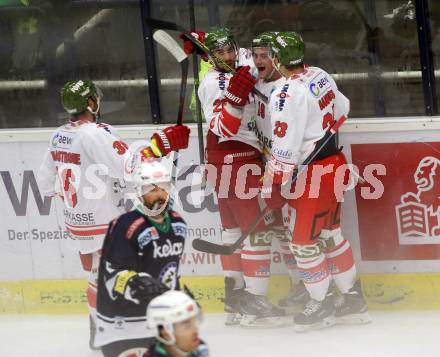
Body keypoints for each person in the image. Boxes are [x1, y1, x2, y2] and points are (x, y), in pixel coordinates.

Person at [37, 80, 190, 348]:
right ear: (91, 102)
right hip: (102, 220)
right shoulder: (93, 133)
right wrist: (160, 145)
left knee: (97, 275)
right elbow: (129, 167)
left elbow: (45, 184)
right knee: (112, 275)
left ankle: (100, 325)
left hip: (77, 220)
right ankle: (107, 327)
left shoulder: (60, 134)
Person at [260, 31, 371, 331]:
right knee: (331, 233)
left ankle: (320, 305)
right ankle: (352, 299)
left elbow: (285, 148)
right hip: (334, 166)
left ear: (278, 58)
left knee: (302, 242)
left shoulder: (284, 94)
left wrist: (274, 186)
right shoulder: (319, 75)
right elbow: (343, 110)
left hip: (311, 177)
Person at [182, 27, 285, 328]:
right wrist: (236, 99)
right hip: (234, 160)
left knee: (231, 231)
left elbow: (247, 58)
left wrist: (201, 37)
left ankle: (235, 298)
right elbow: (223, 129)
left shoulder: (237, 60)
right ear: (210, 58)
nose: (227, 56)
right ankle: (254, 304)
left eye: (230, 49)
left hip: (227, 161)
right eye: (219, 52)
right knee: (256, 232)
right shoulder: (213, 84)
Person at [94, 160, 188, 356]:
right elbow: (111, 275)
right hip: (121, 324)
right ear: (138, 192)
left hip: (158, 322)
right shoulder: (125, 226)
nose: (159, 195)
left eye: (164, 188)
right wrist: (136, 284)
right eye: (151, 189)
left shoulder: (178, 224)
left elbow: (168, 271)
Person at [145, 290, 209, 357]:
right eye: (187, 325)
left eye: (194, 321)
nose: (195, 331)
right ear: (165, 332)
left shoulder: (201, 348)